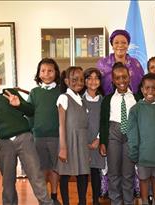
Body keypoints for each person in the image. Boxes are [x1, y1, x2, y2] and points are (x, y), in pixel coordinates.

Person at [0, 65, 53, 205]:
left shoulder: (9, 93)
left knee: (36, 175)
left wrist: (19, 105)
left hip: (24, 139)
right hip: (4, 143)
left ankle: (46, 203)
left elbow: (30, 111)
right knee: (8, 180)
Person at [127, 73, 155, 205]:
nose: (150, 91)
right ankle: (145, 201)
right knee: (143, 180)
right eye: (147, 88)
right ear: (142, 89)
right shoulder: (136, 110)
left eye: (154, 88)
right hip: (142, 156)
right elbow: (132, 134)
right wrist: (134, 153)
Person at [99, 62, 137, 205]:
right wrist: (103, 141)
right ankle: (115, 201)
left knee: (128, 173)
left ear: (129, 77)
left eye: (124, 77)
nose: (121, 81)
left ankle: (128, 201)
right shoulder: (108, 99)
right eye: (118, 78)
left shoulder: (136, 98)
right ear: (113, 80)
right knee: (114, 172)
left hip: (130, 136)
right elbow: (103, 122)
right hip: (113, 135)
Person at [27, 58, 61, 205]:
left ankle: (54, 195)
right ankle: (44, 198)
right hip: (38, 137)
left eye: (50, 71)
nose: (46, 74)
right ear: (39, 73)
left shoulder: (61, 91)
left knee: (55, 168)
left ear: (56, 73)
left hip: (56, 137)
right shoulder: (34, 93)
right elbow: (29, 114)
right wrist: (32, 132)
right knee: (41, 169)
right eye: (43, 71)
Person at [56, 66, 90, 205]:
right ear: (66, 81)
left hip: (81, 141)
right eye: (74, 79)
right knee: (65, 174)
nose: (79, 82)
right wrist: (63, 148)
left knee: (83, 174)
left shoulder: (81, 99)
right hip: (69, 141)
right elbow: (61, 124)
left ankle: (82, 202)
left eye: (82, 80)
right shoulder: (64, 97)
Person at [82, 67, 105, 205]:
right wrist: (84, 141)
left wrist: (99, 139)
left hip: (97, 142)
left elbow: (105, 122)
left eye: (96, 78)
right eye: (89, 78)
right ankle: (82, 200)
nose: (93, 81)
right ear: (84, 81)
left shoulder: (104, 101)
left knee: (96, 173)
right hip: (83, 142)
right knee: (83, 173)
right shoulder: (79, 100)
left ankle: (95, 200)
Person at [96, 29, 144, 95]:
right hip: (108, 102)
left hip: (133, 102)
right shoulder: (103, 64)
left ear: (128, 45)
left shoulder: (136, 64)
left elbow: (142, 85)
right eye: (116, 42)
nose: (120, 45)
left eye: (124, 43)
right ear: (112, 45)